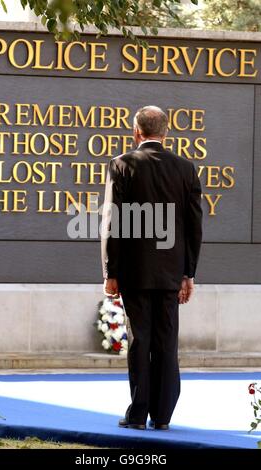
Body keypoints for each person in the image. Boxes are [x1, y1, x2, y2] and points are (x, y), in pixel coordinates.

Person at [101, 105, 202, 430]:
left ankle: (138, 414)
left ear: (136, 131)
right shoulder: (186, 168)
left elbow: (112, 221)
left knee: (140, 341)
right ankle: (162, 416)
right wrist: (189, 273)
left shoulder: (122, 165)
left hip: (135, 271)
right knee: (166, 341)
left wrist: (110, 271)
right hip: (172, 271)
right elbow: (193, 226)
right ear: (166, 132)